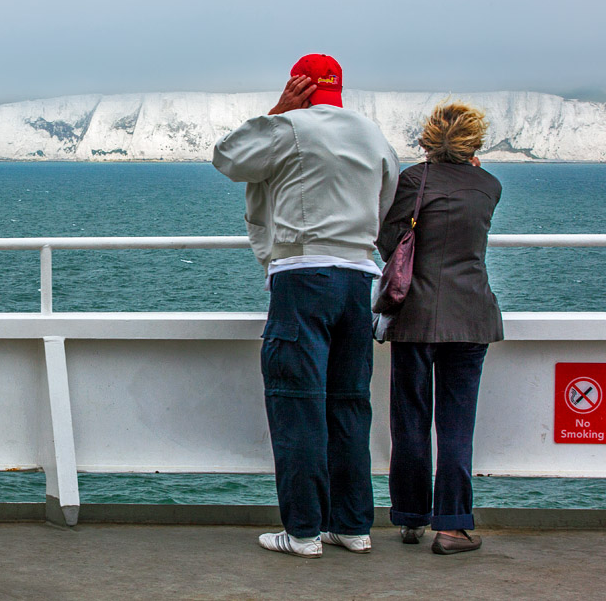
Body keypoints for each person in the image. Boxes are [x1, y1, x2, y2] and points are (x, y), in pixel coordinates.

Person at [213, 54, 399, 558]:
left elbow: (228, 158)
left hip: (302, 276)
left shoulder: (289, 127)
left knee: (297, 406)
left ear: (298, 84)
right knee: (348, 404)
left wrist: (276, 110)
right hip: (359, 279)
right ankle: (354, 526)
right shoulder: (371, 134)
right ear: (339, 88)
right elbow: (386, 202)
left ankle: (301, 532)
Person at [376, 101, 503, 555]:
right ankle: (452, 527)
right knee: (456, 425)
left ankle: (410, 516)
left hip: (414, 317)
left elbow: (389, 241)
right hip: (472, 316)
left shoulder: (414, 180)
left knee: (409, 419)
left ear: (430, 138)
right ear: (475, 142)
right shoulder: (489, 185)